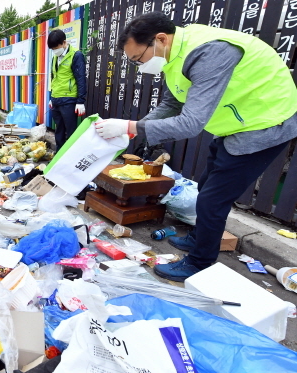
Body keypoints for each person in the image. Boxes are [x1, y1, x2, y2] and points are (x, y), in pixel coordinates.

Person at [95, 11, 297, 282]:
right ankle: (199, 237)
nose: (139, 65)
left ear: (160, 39)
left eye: (138, 58)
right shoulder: (173, 55)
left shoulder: (210, 53)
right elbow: (172, 104)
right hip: (235, 123)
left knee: (215, 198)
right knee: (205, 185)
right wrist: (134, 130)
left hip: (265, 124)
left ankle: (200, 262)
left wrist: (129, 126)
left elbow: (190, 124)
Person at [47, 29, 87, 151]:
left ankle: (71, 156)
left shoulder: (76, 55)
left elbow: (81, 78)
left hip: (69, 100)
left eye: (56, 47)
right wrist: (51, 97)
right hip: (56, 99)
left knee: (71, 131)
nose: (55, 50)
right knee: (59, 130)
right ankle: (59, 155)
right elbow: (54, 78)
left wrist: (80, 101)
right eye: (52, 49)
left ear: (64, 43)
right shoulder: (55, 57)